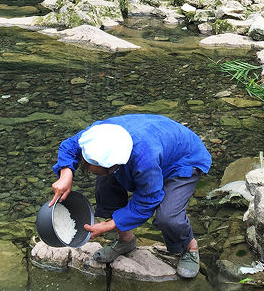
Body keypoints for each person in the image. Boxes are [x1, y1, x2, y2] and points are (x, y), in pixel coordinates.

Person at [48, 114, 212, 279]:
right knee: (105, 186)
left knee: (168, 216)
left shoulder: (144, 160)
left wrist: (110, 224)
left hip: (184, 159)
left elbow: (147, 201)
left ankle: (190, 247)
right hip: (155, 140)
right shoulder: (97, 135)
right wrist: (66, 173)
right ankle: (126, 240)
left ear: (115, 165)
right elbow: (69, 146)